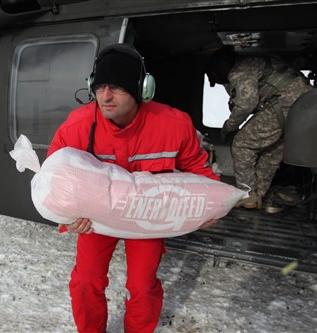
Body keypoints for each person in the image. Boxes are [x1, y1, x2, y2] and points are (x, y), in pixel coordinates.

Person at [47, 43, 219, 333]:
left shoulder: (173, 125)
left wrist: (212, 206)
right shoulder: (77, 127)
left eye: (117, 87)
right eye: (100, 86)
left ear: (142, 89)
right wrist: (67, 218)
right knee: (86, 281)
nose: (106, 96)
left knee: (141, 286)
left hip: (147, 217)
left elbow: (198, 170)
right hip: (98, 219)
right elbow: (55, 178)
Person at [205, 45, 312, 209]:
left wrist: (228, 127)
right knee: (271, 153)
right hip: (304, 106)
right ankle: (258, 195)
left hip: (286, 103)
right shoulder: (252, 64)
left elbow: (246, 104)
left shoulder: (239, 71)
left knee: (242, 144)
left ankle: (247, 195)